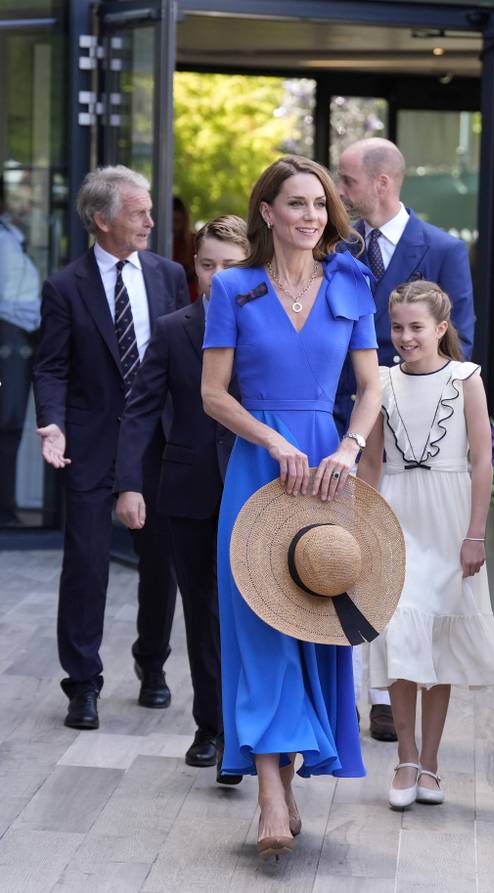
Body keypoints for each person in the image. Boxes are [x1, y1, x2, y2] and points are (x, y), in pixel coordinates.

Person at [201, 155, 381, 859]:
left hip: (330, 472)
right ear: (267, 213)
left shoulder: (351, 281)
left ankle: (290, 777)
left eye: (318, 204)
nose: (310, 215)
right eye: (296, 204)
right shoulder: (235, 289)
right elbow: (214, 394)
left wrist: (348, 446)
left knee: (311, 622)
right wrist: (274, 439)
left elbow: (370, 386)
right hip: (260, 469)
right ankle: (270, 796)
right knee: (259, 628)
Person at [33, 165, 188, 731]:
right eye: (138, 212)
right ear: (102, 220)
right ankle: (83, 685)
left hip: (159, 442)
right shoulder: (64, 286)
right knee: (87, 564)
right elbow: (50, 367)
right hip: (91, 444)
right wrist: (52, 421)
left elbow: (181, 359)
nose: (151, 220)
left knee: (159, 564)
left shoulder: (170, 275)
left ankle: (152, 666)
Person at [336, 136, 476, 742]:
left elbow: (461, 338)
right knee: (350, 558)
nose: (339, 193)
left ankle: (390, 700)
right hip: (337, 425)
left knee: (406, 569)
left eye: (347, 181)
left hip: (413, 434)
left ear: (382, 183)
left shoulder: (442, 249)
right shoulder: (336, 248)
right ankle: (355, 692)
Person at [357, 279, 494, 810]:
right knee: (399, 632)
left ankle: (432, 764)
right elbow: (371, 462)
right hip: (396, 514)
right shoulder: (379, 380)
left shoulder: (467, 379)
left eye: (416, 327)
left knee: (438, 641)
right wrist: (364, 530)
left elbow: (482, 460)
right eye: (397, 327)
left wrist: (475, 533)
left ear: (441, 328)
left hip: (448, 517)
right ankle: (404, 757)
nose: (404, 336)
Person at [115, 216, 248, 781]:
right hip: (189, 489)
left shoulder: (272, 325)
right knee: (202, 612)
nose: (217, 277)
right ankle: (212, 729)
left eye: (230, 265)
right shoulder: (173, 329)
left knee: (252, 613)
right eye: (207, 264)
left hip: (257, 484)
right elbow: (142, 410)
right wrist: (129, 483)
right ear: (193, 266)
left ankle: (251, 733)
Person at [0, 175, 41, 525]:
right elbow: (13, 301)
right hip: (10, 337)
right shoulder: (3, 243)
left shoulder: (14, 242)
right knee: (8, 423)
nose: (26, 208)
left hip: (18, 336)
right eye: (18, 200)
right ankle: (5, 509)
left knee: (10, 424)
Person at [173, 196, 198, 302]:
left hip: (190, 296)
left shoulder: (195, 241)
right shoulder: (160, 241)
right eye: (171, 221)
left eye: (177, 221)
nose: (174, 226)